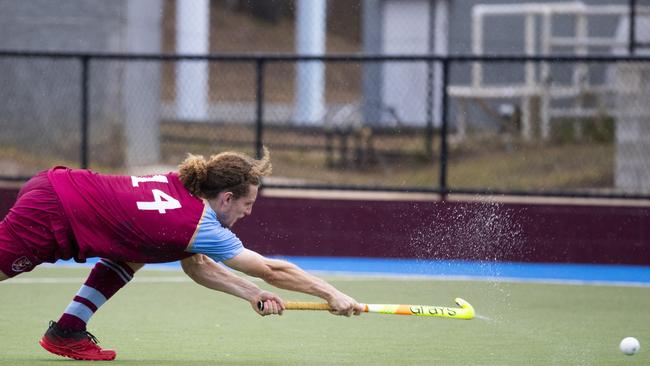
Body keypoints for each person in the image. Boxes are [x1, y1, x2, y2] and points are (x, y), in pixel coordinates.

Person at [0, 148, 363, 361]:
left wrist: (251, 293)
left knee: (137, 251)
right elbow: (270, 269)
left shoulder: (181, 190)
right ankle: (67, 330)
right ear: (227, 198)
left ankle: (68, 330)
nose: (249, 213)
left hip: (57, 188)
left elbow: (196, 266)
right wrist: (331, 293)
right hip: (53, 210)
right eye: (247, 204)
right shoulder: (201, 224)